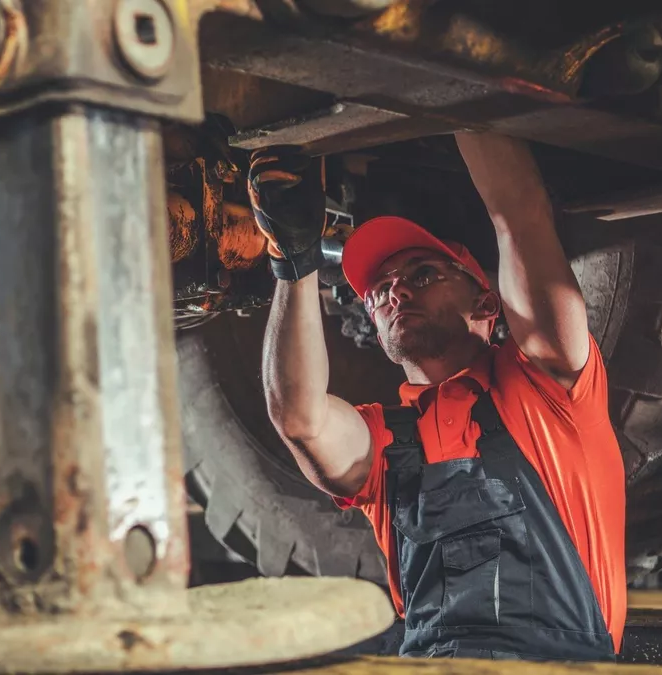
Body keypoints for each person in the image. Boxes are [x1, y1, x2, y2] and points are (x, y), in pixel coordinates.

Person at [249, 132, 625, 661]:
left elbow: (519, 217)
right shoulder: (384, 444)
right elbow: (300, 417)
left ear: (488, 300)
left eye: (422, 274)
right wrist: (295, 263)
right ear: (375, 331)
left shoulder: (547, 389)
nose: (396, 292)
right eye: (379, 292)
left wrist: (448, 84)